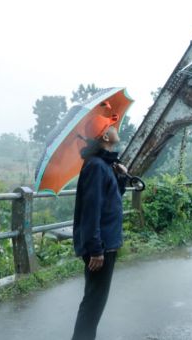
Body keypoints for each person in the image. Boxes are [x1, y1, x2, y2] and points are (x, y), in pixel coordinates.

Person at [72, 115, 129, 340]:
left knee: (96, 301)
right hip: (101, 247)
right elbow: (91, 210)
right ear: (105, 136)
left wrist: (121, 177)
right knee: (93, 302)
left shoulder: (104, 165)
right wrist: (96, 248)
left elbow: (112, 199)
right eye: (111, 126)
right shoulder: (96, 166)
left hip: (106, 244)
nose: (116, 128)